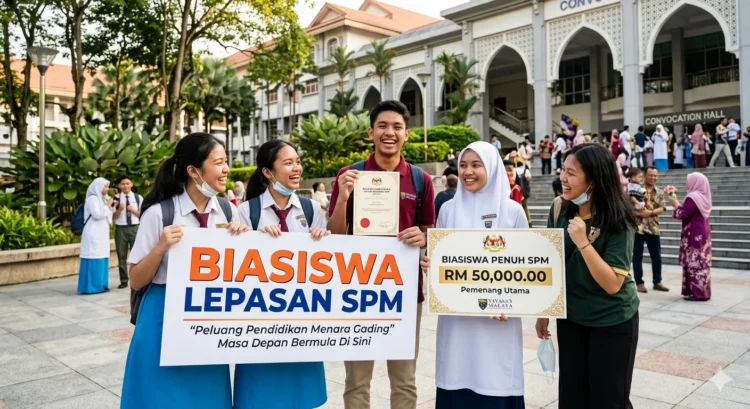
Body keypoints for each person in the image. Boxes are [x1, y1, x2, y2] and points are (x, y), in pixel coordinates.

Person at [121, 133, 249, 409]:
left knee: (206, 396)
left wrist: (244, 239)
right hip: (162, 314)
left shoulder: (228, 212)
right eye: (219, 162)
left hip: (208, 316)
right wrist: (160, 247)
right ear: (193, 171)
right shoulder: (160, 213)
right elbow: (135, 279)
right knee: (160, 397)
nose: (226, 169)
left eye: (226, 161)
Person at [328, 100, 435, 409]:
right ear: (371, 132)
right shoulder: (351, 174)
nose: (390, 132)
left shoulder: (421, 180)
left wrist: (423, 238)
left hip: (404, 292)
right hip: (358, 291)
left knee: (405, 380)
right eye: (383, 126)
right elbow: (335, 234)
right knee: (357, 381)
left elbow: (428, 232)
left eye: (397, 127)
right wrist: (343, 198)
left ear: (407, 134)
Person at [536, 143, 640, 409]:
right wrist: (544, 310)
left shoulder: (618, 217)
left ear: (593, 179)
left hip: (612, 320)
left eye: (571, 173)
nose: (563, 178)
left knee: (608, 400)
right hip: (572, 318)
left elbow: (613, 284)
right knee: (572, 397)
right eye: (562, 170)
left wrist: (583, 242)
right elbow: (551, 262)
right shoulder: (559, 208)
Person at [427, 141, 528, 409]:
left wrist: (511, 303)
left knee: (496, 378)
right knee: (456, 375)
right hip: (457, 323)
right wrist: (431, 264)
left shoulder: (512, 211)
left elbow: (526, 266)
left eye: (476, 165)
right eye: (463, 165)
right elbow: (442, 262)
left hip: (498, 322)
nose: (468, 172)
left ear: (492, 168)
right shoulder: (448, 210)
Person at [234, 140, 329, 409]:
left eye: (298, 161)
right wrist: (254, 239)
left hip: (302, 320)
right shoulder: (247, 211)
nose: (297, 168)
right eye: (288, 163)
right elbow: (235, 266)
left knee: (302, 395)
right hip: (260, 323)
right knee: (261, 395)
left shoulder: (311, 209)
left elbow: (324, 265)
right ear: (267, 172)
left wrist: (323, 240)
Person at [669, 173, 712, 301]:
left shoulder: (693, 197)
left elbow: (683, 214)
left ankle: (697, 293)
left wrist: (675, 203)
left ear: (695, 182)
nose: (686, 184)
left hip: (694, 233)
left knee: (694, 262)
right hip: (702, 233)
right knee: (701, 261)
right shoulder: (703, 196)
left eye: (688, 181)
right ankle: (703, 292)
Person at [631, 166, 669, 293]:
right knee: (637, 256)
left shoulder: (659, 192)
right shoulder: (635, 189)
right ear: (644, 175)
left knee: (656, 256)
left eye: (655, 175)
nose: (653, 178)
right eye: (651, 175)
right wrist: (640, 214)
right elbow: (627, 207)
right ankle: (639, 283)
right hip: (638, 228)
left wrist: (651, 213)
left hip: (653, 228)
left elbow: (663, 207)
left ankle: (657, 281)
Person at [78, 177, 114, 294]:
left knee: (101, 257)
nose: (107, 189)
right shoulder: (92, 199)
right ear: (98, 187)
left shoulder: (102, 199)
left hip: (101, 234)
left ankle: (101, 284)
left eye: (108, 186)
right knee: (94, 257)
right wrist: (107, 206)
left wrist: (111, 206)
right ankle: (92, 287)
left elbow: (107, 215)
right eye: (105, 186)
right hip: (93, 233)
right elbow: (97, 214)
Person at [113, 176, 142, 289]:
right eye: (123, 184)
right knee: (121, 255)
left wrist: (133, 210)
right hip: (121, 229)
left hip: (135, 228)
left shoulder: (138, 197)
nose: (125, 186)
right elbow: (112, 217)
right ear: (119, 186)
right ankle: (124, 280)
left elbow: (143, 214)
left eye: (127, 183)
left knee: (138, 254)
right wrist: (120, 210)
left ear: (131, 184)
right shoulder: (116, 199)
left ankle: (138, 278)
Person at [626, 168, 647, 234]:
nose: (641, 178)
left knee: (645, 215)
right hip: (635, 205)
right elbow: (632, 196)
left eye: (641, 177)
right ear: (633, 178)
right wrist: (638, 203)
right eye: (639, 177)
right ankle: (641, 227)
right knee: (644, 215)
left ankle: (642, 227)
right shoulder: (631, 186)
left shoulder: (637, 185)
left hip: (639, 203)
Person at [515, 161, 532, 227]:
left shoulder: (515, 170)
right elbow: (529, 177)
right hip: (524, 192)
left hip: (517, 192)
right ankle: (529, 222)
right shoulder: (526, 170)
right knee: (525, 208)